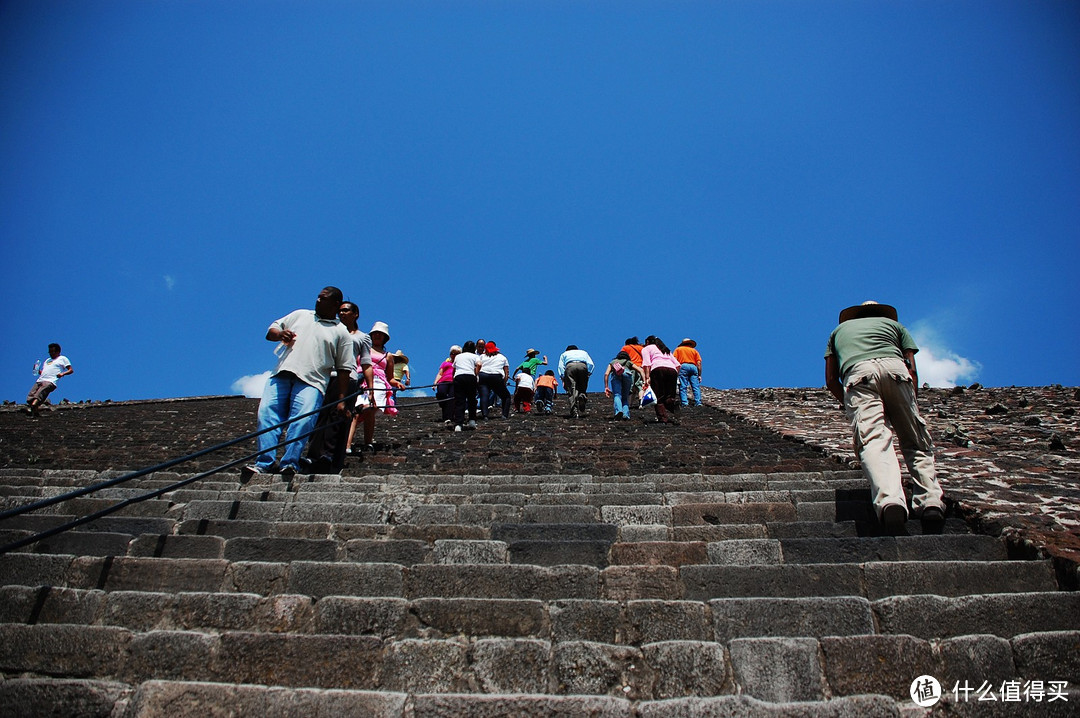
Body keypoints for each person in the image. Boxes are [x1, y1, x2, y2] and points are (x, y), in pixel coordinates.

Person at [825, 301, 946, 534]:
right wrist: (912, 402)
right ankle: (930, 501)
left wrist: (849, 402)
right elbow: (911, 367)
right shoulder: (894, 326)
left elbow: (831, 379)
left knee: (873, 440)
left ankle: (890, 501)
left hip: (858, 374)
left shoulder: (838, 332)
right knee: (915, 440)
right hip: (896, 371)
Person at [243, 287, 355, 481]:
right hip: (282, 374)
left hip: (313, 381)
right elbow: (271, 330)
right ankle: (264, 463)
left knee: (302, 421)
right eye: (318, 297)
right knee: (267, 416)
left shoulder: (341, 332)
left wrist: (341, 399)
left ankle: (290, 463)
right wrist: (280, 335)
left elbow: (344, 369)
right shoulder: (300, 315)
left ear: (336, 304)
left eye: (324, 298)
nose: (318, 300)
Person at [304, 302, 374, 473]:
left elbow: (366, 363)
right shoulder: (330, 329)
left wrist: (370, 387)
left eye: (346, 310)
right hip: (324, 376)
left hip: (347, 377)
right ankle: (312, 454)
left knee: (338, 415)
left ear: (355, 314)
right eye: (340, 310)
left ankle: (329, 455)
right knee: (318, 416)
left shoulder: (362, 337)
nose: (341, 313)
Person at [348, 321, 397, 453]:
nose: (377, 336)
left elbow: (390, 377)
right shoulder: (363, 348)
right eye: (375, 333)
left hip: (378, 383)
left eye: (380, 334)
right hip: (360, 381)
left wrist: (397, 383)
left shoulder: (388, 356)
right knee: (356, 412)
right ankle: (347, 445)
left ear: (385, 337)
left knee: (369, 409)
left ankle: (367, 442)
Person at [642, 336, 681, 425]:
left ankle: (663, 418)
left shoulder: (647, 348)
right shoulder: (665, 349)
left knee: (658, 396)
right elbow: (678, 365)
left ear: (647, 342)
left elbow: (647, 364)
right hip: (672, 370)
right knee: (668, 395)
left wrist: (647, 378)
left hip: (657, 370)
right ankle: (672, 402)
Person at [25, 343, 73, 414]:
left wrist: (62, 373)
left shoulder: (62, 359)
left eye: (52, 352)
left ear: (57, 352)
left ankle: (33, 406)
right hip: (40, 380)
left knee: (39, 393)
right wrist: (38, 371)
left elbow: (70, 370)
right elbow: (45, 372)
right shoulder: (47, 360)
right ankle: (34, 410)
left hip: (51, 381)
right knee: (31, 395)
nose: (50, 354)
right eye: (49, 352)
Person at [604, 350, 645, 421]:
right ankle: (626, 414)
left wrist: (606, 386)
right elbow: (640, 370)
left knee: (617, 395)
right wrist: (644, 381)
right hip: (627, 374)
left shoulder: (613, 362)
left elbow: (606, 374)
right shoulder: (628, 362)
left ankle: (618, 411)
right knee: (625, 397)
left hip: (616, 375)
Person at [452, 340, 483, 431]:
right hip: (470, 377)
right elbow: (479, 364)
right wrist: (476, 373)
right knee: (471, 400)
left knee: (459, 401)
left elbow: (454, 368)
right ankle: (472, 421)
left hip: (459, 377)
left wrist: (453, 377)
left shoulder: (458, 356)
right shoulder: (475, 356)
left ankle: (458, 424)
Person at [557, 345, 594, 418]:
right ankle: (582, 395)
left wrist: (563, 377)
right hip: (582, 365)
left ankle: (574, 410)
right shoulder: (583, 352)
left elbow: (561, 366)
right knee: (582, 385)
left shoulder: (564, 354)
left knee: (572, 389)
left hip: (570, 366)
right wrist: (589, 372)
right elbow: (591, 364)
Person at [478, 342, 512, 419]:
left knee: (484, 395)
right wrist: (504, 382)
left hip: (483, 376)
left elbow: (478, 366)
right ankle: (504, 415)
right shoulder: (502, 357)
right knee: (506, 397)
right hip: (496, 376)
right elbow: (506, 372)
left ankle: (485, 415)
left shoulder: (482, 356)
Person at [434, 345, 460, 425]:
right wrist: (435, 382)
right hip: (443, 381)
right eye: (452, 353)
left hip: (454, 381)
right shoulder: (445, 363)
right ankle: (445, 411)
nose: (454, 355)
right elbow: (440, 373)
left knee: (451, 399)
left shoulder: (460, 364)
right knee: (441, 394)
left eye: (456, 354)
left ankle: (448, 417)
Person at [674, 338, 703, 407]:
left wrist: (676, 371)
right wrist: (699, 375)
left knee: (683, 386)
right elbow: (699, 363)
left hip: (683, 366)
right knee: (695, 386)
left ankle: (684, 403)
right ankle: (698, 402)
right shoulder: (694, 351)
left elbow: (674, 360)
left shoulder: (678, 349)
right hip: (693, 367)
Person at [621, 336, 645, 406]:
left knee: (629, 386)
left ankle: (628, 404)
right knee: (639, 385)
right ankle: (641, 402)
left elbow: (622, 357)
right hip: (640, 368)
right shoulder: (641, 348)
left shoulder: (626, 348)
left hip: (631, 368)